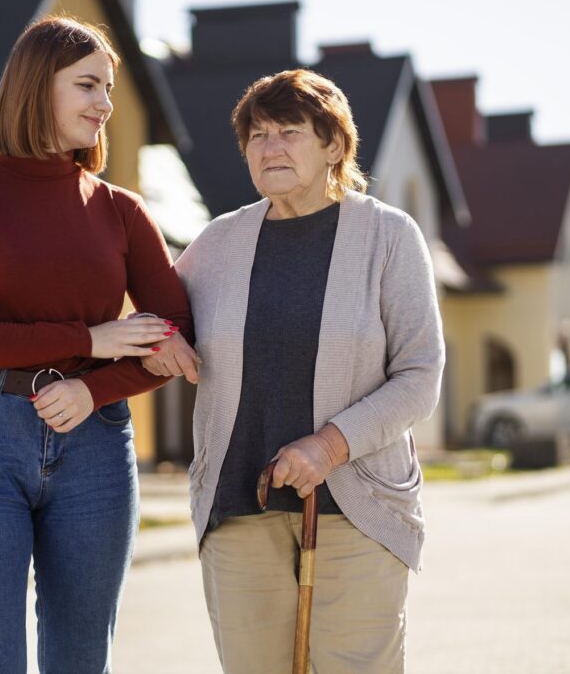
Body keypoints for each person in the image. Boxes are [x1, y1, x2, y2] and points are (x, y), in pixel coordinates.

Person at [0, 17, 193, 674]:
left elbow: (175, 330)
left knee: (80, 657)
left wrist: (93, 385)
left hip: (96, 440)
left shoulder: (123, 210)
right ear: (38, 88)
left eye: (110, 88)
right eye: (88, 85)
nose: (106, 104)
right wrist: (89, 338)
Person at [144, 69, 444, 673]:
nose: (269, 147)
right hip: (239, 506)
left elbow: (419, 374)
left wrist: (329, 447)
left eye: (289, 132)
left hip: (358, 508)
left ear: (334, 145)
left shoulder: (389, 236)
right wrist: (159, 341)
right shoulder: (218, 242)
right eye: (256, 136)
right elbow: (160, 321)